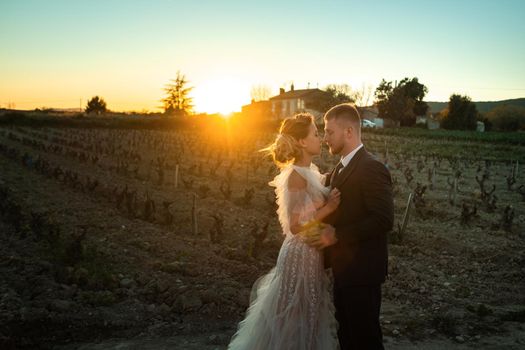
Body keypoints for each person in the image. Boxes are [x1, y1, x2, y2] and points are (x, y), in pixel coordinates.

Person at [228, 113, 340, 350]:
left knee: (308, 316)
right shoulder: (296, 176)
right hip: (300, 253)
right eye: (316, 134)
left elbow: (309, 208)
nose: (320, 139)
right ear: (301, 142)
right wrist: (329, 207)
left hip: (310, 253)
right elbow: (296, 225)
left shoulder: (310, 171)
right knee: (293, 319)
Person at [307, 103, 394, 349]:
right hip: (344, 270)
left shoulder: (371, 168)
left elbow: (384, 219)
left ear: (348, 132)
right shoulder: (337, 170)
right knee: (347, 336)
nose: (325, 139)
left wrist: (337, 236)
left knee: (365, 339)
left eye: (329, 132)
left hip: (363, 272)